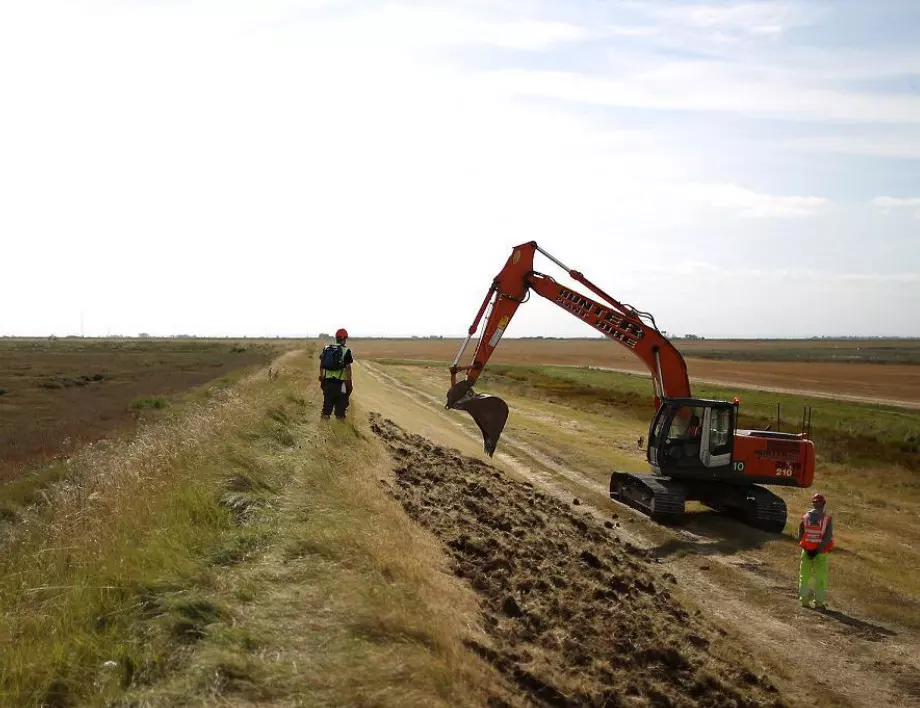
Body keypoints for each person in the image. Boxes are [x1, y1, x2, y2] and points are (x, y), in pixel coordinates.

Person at [797, 492, 835, 610]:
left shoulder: (805, 517)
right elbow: (827, 537)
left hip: (806, 551)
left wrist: (807, 549)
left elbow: (800, 535)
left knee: (804, 576)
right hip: (821, 552)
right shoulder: (827, 519)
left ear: (813, 504)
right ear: (823, 503)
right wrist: (817, 550)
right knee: (820, 578)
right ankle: (819, 603)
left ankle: (804, 601)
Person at [318, 328, 354, 420]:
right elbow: (348, 368)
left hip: (328, 383)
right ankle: (339, 431)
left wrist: (322, 379)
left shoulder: (327, 348)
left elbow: (321, 365)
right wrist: (349, 385)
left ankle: (323, 430)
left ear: (336, 338)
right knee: (340, 412)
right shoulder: (346, 351)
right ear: (345, 339)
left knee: (326, 410)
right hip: (341, 385)